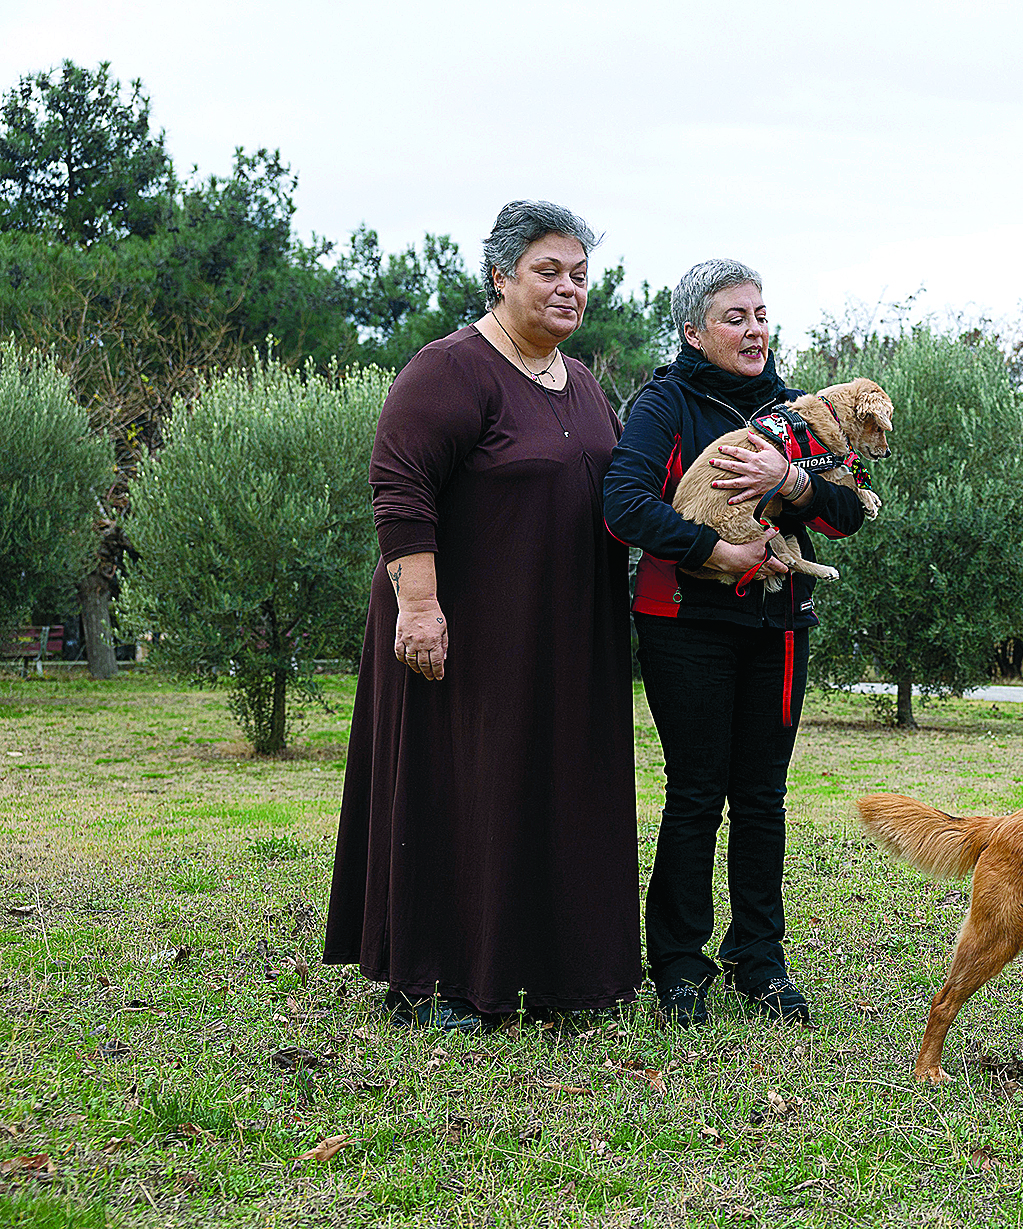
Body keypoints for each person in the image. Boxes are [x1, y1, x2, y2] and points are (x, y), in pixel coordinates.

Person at [324, 201, 642, 1031]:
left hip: (561, 636)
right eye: (548, 270)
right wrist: (419, 607)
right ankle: (435, 983)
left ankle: (548, 971)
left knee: (546, 792)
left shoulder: (580, 382)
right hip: (462, 634)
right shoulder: (449, 368)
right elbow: (399, 483)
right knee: (461, 792)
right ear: (500, 276)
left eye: (579, 274)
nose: (569, 287)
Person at [602, 258, 867, 1027]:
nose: (754, 331)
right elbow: (622, 504)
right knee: (694, 794)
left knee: (761, 797)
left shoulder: (795, 409)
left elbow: (846, 513)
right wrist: (712, 551)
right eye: (734, 317)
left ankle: (760, 960)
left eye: (760, 315)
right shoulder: (664, 403)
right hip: (684, 622)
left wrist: (791, 481)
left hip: (778, 626)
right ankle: (679, 966)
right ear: (693, 331)